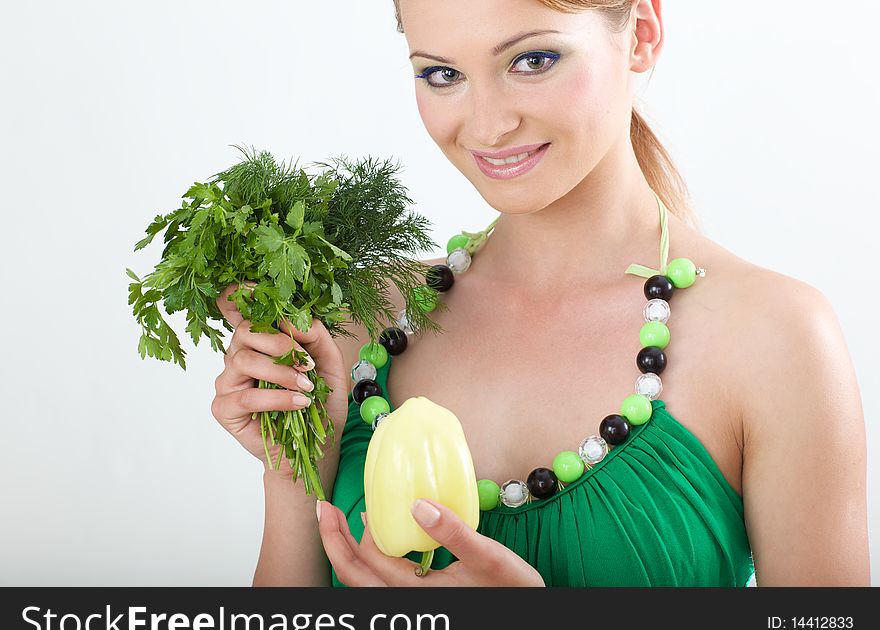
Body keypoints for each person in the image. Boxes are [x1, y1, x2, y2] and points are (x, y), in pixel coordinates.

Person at [211, 0, 870, 586]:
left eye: (533, 59)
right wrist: (294, 465)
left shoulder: (775, 336)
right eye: (442, 74)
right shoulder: (361, 318)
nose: (489, 125)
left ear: (640, 33)